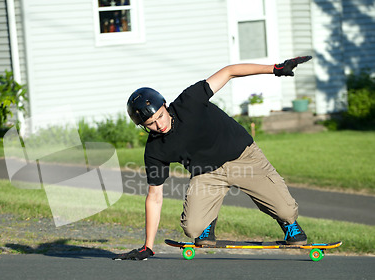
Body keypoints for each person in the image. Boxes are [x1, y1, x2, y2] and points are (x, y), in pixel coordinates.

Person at [113, 56, 312, 260]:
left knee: (286, 211)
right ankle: (207, 223)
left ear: (165, 105)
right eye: (151, 124)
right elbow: (154, 197)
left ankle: (288, 224)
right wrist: (148, 246)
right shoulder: (155, 149)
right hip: (207, 174)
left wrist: (274, 68)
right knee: (192, 229)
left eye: (160, 116)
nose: (159, 125)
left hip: (243, 158)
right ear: (143, 127)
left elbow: (229, 71)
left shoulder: (189, 101)